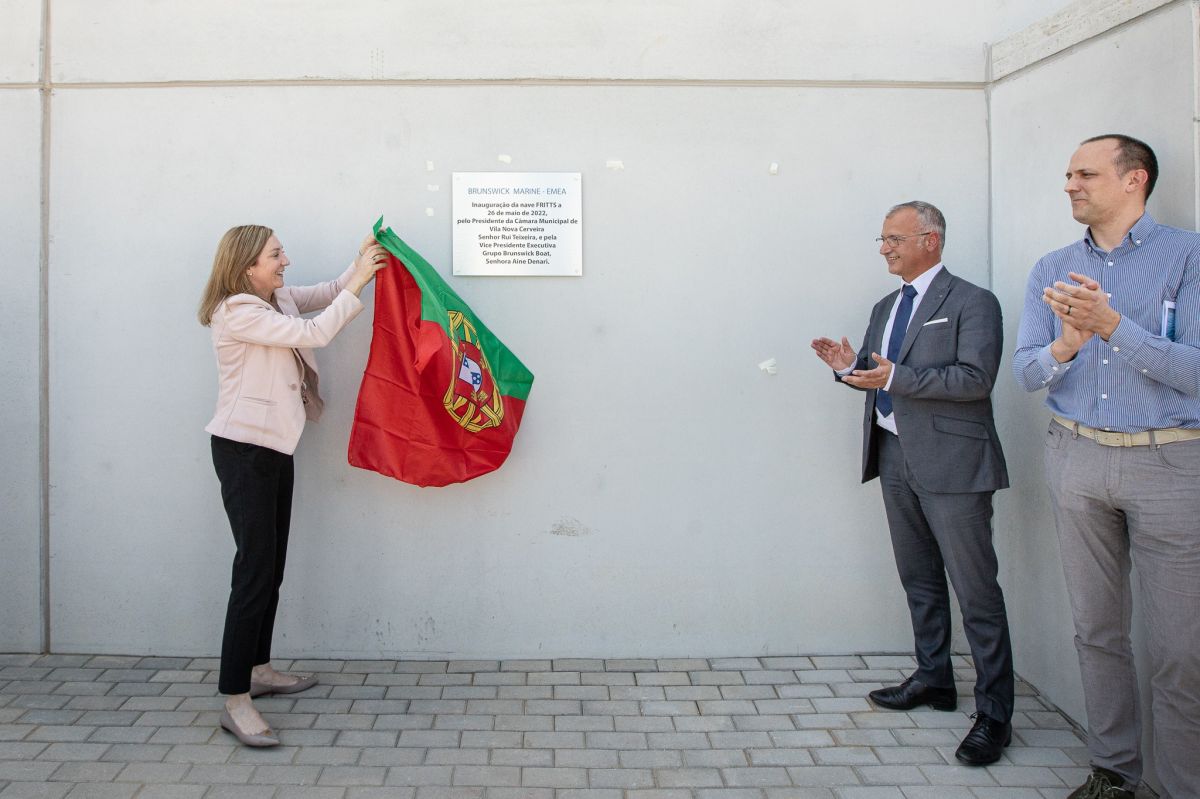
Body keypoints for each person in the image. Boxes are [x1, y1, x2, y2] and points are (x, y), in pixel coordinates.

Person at [1013, 134, 1199, 799]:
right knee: (1096, 629)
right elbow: (1027, 372)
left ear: (1134, 180)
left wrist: (1113, 325)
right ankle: (1114, 772)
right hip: (1075, 456)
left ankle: (1179, 786)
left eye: (1085, 173)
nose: (1071, 184)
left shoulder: (1189, 256)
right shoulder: (1051, 267)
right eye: (1067, 174)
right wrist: (1066, 343)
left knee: (1181, 647)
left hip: (1171, 462)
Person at [811, 201, 1015, 766]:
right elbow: (881, 374)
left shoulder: (973, 302)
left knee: (977, 594)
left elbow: (976, 379)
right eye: (881, 239)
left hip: (953, 465)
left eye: (894, 238)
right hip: (895, 455)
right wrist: (849, 366)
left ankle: (994, 715)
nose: (885, 248)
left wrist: (895, 375)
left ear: (931, 240)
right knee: (919, 580)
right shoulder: (886, 305)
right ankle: (934, 679)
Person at [197, 225, 388, 747]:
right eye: (275, 254)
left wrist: (359, 265)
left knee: (271, 565)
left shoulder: (272, 296)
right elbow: (313, 333)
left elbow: (325, 294)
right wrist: (359, 285)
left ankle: (259, 669)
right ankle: (235, 700)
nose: (285, 260)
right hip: (243, 453)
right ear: (246, 267)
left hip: (274, 447)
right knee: (254, 573)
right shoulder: (238, 311)